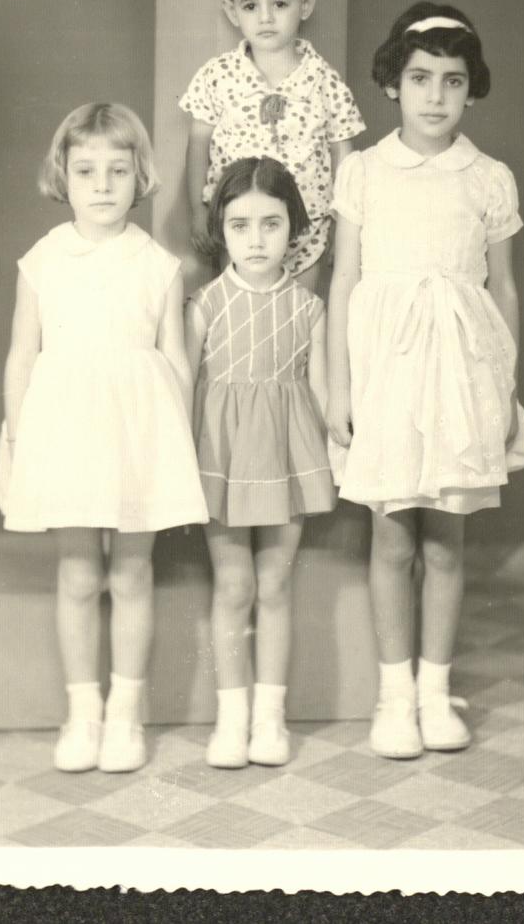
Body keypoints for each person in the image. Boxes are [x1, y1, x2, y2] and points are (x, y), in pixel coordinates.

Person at [326, 3, 524, 759]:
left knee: (446, 544)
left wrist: (503, 390)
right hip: (384, 370)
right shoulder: (362, 170)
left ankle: (433, 688)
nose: (435, 96)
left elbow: (504, 291)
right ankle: (393, 697)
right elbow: (345, 278)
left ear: (471, 91)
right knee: (390, 541)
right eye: (420, 78)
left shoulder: (488, 178)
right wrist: (337, 387)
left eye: (453, 81)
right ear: (393, 83)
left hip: (461, 376)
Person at [0, 103, 208, 773]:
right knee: (80, 574)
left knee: (132, 572)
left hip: (138, 434)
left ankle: (124, 714)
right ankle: (82, 712)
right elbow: (23, 353)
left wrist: (176, 445)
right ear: (64, 175)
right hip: (66, 434)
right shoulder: (43, 260)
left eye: (118, 170)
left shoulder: (158, 265)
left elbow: (175, 363)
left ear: (140, 175)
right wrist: (22, 434)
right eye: (87, 171)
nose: (103, 185)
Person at [185, 156, 335, 768]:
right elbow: (181, 385)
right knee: (235, 584)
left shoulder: (309, 308)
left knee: (274, 584)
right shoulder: (204, 305)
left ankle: (270, 721)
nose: (255, 239)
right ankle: (231, 717)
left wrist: (345, 449)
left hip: (285, 456)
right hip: (220, 458)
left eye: (270, 224)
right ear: (220, 228)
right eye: (240, 224)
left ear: (293, 229)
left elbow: (323, 393)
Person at [180, 0, 365, 292]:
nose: (265, 17)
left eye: (279, 3)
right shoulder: (217, 77)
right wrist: (198, 212)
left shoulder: (324, 81)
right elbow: (198, 145)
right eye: (250, 6)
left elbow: (345, 156)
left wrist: (344, 227)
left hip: (306, 232)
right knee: (236, 318)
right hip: (236, 226)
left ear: (305, 5)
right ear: (232, 11)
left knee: (300, 320)